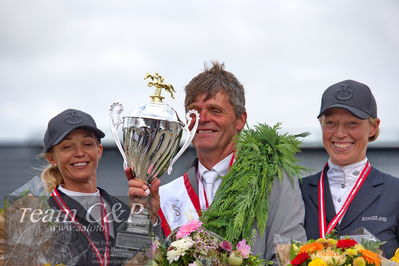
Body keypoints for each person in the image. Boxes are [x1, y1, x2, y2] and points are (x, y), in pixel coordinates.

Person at [128, 62, 306, 262]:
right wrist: (148, 220)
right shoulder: (168, 195)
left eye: (215, 110)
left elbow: (289, 259)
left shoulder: (274, 181)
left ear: (240, 120)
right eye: (194, 111)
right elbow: (151, 260)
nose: (203, 119)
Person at [41, 108, 162, 265]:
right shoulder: (41, 216)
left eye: (87, 143)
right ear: (52, 158)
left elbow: (152, 259)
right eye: (67, 146)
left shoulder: (123, 212)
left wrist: (150, 218)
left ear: (99, 151)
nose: (79, 153)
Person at [300, 80, 399, 258]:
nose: (339, 133)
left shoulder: (396, 192)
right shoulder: (297, 191)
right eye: (331, 123)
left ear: (373, 127)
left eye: (352, 124)